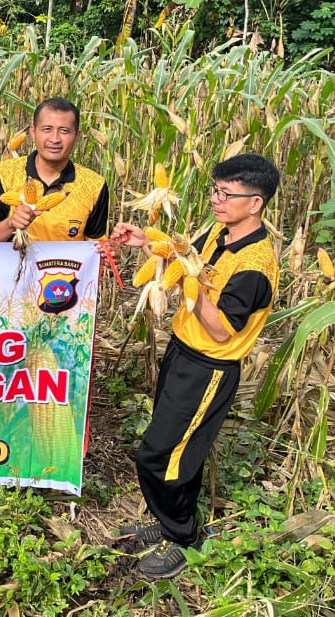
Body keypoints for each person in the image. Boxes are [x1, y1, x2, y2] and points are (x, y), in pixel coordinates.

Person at [109, 153, 280, 580]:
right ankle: (168, 524)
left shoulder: (255, 267)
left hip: (209, 368)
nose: (216, 201)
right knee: (175, 451)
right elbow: (184, 257)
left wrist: (189, 280)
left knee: (159, 456)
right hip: (181, 352)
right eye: (214, 191)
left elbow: (222, 329)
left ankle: (184, 539)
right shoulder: (218, 231)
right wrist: (146, 244)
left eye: (226, 194)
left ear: (255, 203)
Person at [0, 97, 109, 243]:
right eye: (47, 129)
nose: (55, 139)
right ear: (33, 132)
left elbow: (94, 247)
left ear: (77, 136)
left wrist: (109, 251)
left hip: (64, 265)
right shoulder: (4, 174)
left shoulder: (94, 186)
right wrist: (10, 224)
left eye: (64, 131)